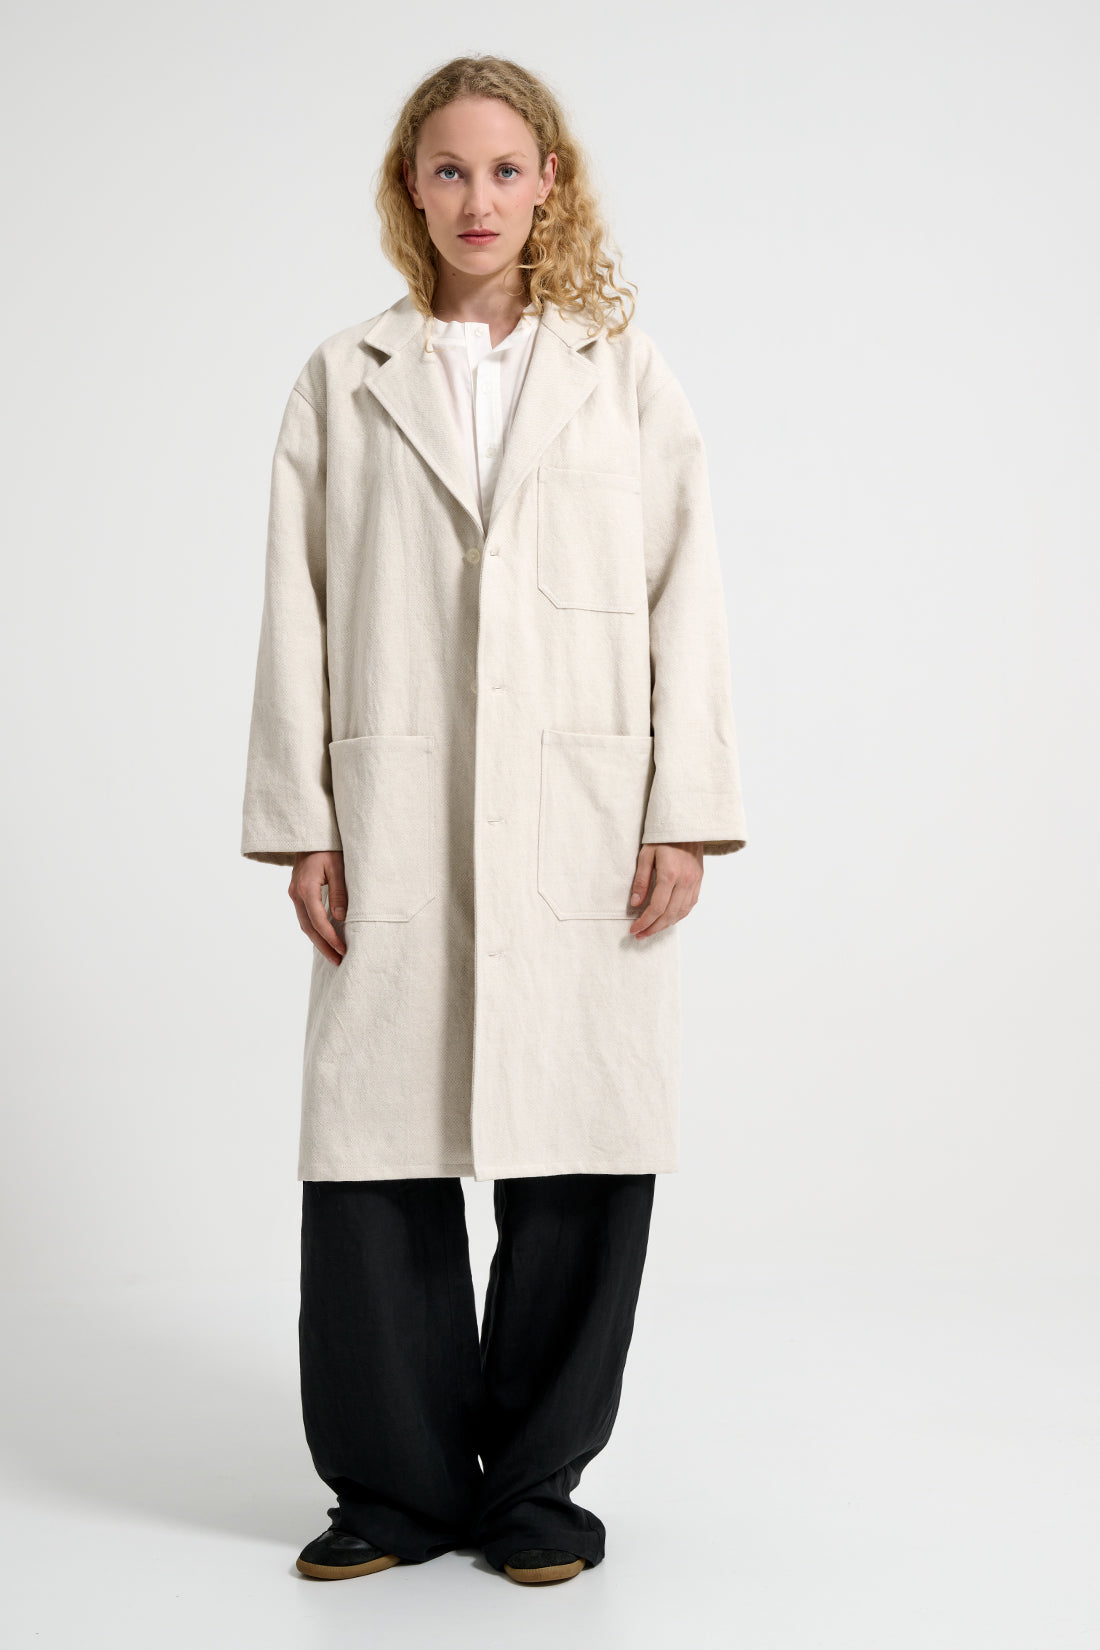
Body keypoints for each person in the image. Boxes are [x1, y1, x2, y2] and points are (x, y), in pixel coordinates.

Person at [240, 54, 749, 1587]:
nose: (479, 198)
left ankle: (535, 1487)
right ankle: (394, 1489)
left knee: (582, 1134)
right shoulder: (344, 378)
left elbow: (688, 593)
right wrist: (305, 819)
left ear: (551, 185)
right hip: (393, 801)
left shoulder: (623, 373)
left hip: (581, 809)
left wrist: (683, 807)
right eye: (449, 169)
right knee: (375, 1143)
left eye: (507, 169)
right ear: (410, 186)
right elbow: (296, 608)